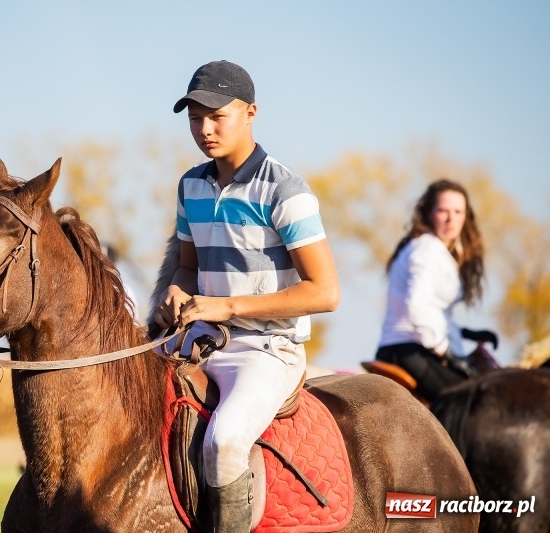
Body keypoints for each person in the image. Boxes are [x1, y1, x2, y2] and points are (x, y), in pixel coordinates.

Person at [154, 60, 340, 533]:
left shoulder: (284, 189)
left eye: (218, 116)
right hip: (199, 338)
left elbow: (325, 292)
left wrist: (230, 306)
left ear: (251, 112)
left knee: (226, 441)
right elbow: (189, 265)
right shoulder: (190, 184)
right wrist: (177, 289)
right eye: (195, 117)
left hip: (267, 350)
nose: (204, 129)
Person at [376, 179, 496, 402]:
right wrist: (445, 351)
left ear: (466, 216)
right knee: (470, 403)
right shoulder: (428, 249)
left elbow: (433, 310)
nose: (451, 219)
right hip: (408, 350)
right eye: (443, 210)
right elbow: (416, 306)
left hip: (416, 348)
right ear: (429, 212)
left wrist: (464, 333)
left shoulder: (434, 249)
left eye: (458, 211)